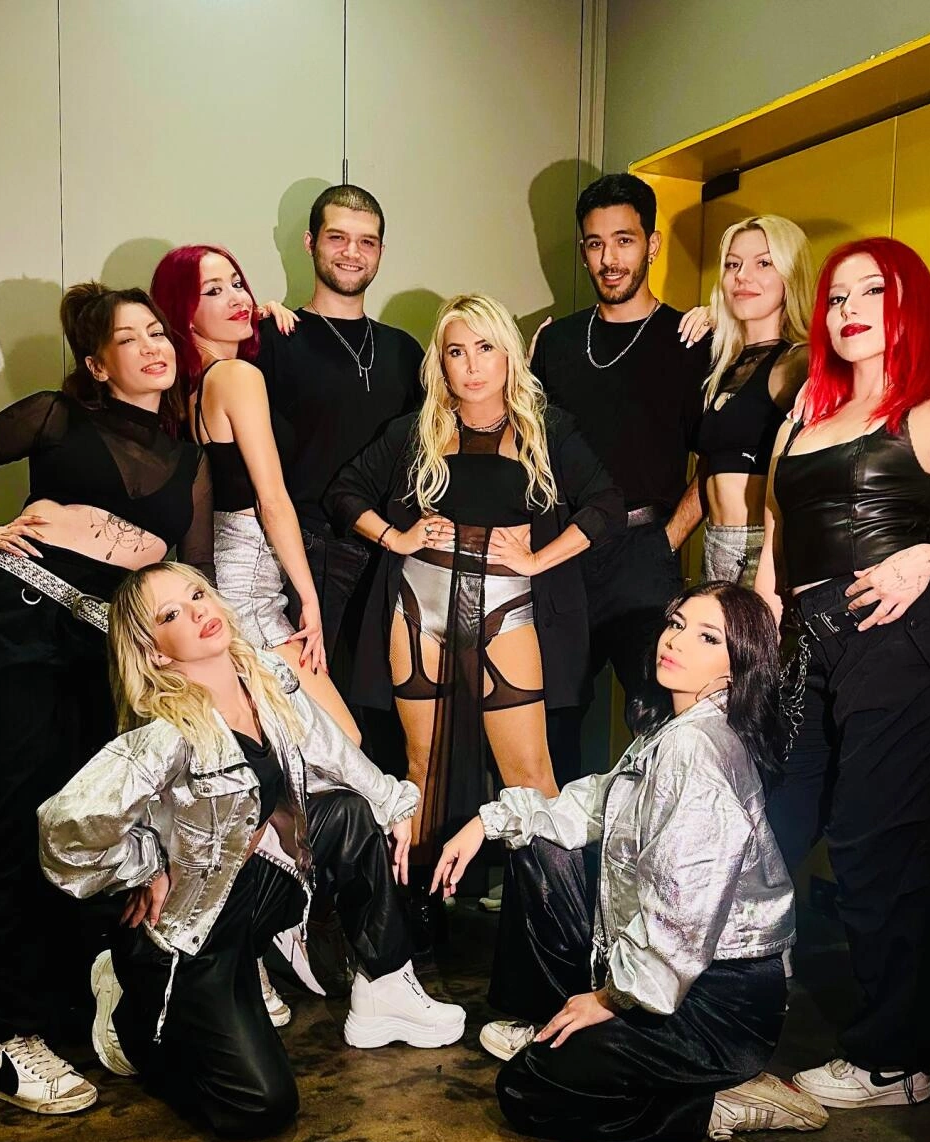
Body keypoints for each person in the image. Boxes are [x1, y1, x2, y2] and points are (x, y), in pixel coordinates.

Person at [37, 564, 466, 1139]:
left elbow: (330, 749)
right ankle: (131, 1012)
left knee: (349, 813)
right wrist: (145, 864)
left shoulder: (262, 678)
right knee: (261, 1106)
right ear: (156, 652)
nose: (197, 611)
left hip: (255, 890)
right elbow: (64, 829)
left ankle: (386, 987)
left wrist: (393, 804)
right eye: (171, 614)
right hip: (195, 939)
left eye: (197, 594)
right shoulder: (166, 734)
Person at [432, 583, 827, 1142]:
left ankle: (717, 1103)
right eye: (677, 623)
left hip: (720, 1001)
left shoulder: (697, 750)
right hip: (685, 976)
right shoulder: (675, 729)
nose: (676, 641)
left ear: (738, 667)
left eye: (708, 637)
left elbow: (682, 920)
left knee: (528, 1088)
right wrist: (488, 823)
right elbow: (597, 801)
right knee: (541, 847)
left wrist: (609, 999)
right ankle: (553, 1023)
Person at [754, 237, 930, 1109]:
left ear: (909, 305)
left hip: (907, 644)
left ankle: (896, 1058)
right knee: (767, 827)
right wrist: (763, 627)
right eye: (837, 296)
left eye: (873, 292)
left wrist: (926, 557)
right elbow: (777, 532)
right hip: (810, 646)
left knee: (876, 851)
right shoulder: (803, 415)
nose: (850, 309)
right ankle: (729, 1000)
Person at [0, 284, 213, 1116]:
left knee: (77, 830)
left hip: (103, 653)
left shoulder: (189, 460)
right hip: (17, 620)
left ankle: (57, 1011)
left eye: (159, 332)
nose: (153, 346)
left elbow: (188, 577)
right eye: (129, 337)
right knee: (8, 821)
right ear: (97, 363)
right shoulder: (56, 416)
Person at [327, 293, 625, 937]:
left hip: (508, 610)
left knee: (531, 777)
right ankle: (408, 930)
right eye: (456, 351)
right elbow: (344, 492)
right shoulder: (416, 432)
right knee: (421, 771)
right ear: (441, 362)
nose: (471, 365)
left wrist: (540, 558)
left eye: (485, 348)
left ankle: (559, 935)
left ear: (509, 354)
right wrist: (397, 537)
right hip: (419, 607)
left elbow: (606, 505)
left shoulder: (547, 430)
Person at [530, 172, 711, 781]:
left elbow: (716, 459)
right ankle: (553, 845)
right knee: (551, 728)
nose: (609, 259)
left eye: (624, 240)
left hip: (644, 555)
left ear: (651, 245)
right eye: (595, 243)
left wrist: (667, 540)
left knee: (660, 726)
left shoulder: (689, 342)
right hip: (564, 556)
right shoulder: (556, 343)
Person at [150, 244, 358, 742]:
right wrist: (309, 601)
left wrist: (261, 316)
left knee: (273, 742)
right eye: (213, 291)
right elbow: (272, 502)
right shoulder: (236, 377)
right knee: (340, 740)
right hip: (247, 590)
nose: (236, 298)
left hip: (221, 580)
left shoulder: (189, 391)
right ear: (185, 312)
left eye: (238, 283)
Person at [255, 184, 424, 675]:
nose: (353, 253)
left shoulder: (404, 350)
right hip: (308, 556)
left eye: (366, 242)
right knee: (317, 706)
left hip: (391, 554)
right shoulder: (274, 339)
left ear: (381, 251)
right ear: (310, 243)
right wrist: (246, 319)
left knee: (384, 704)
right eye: (338, 238)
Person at [689, 216, 813, 586]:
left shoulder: (802, 360)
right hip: (714, 544)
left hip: (763, 549)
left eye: (763, 263)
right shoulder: (722, 363)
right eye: (732, 265)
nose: (743, 276)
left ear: (790, 276)